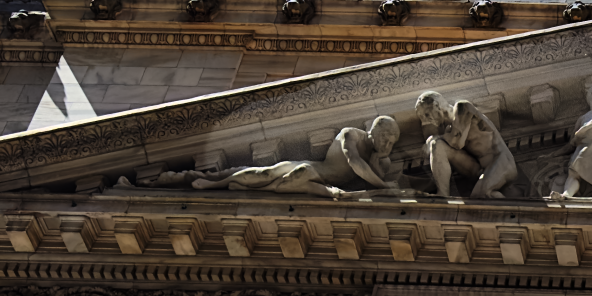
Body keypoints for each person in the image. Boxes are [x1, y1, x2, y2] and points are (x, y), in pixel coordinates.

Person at [160, 115, 407, 197]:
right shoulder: (351, 135)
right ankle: (214, 182)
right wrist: (385, 185)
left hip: (317, 182)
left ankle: (233, 186)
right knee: (264, 173)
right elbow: (354, 163)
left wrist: (380, 162)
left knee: (282, 182)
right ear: (375, 130)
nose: (388, 145)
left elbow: (373, 186)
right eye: (387, 138)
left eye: (393, 143)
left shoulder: (378, 157)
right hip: (315, 168)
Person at [415, 91, 517, 200]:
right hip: (480, 169)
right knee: (437, 145)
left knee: (480, 196)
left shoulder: (462, 107)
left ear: (436, 105)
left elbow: (458, 142)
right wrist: (434, 141)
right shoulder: (448, 131)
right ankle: (443, 196)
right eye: (423, 118)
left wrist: (433, 138)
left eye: (426, 114)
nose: (427, 119)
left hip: (501, 162)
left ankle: (509, 206)